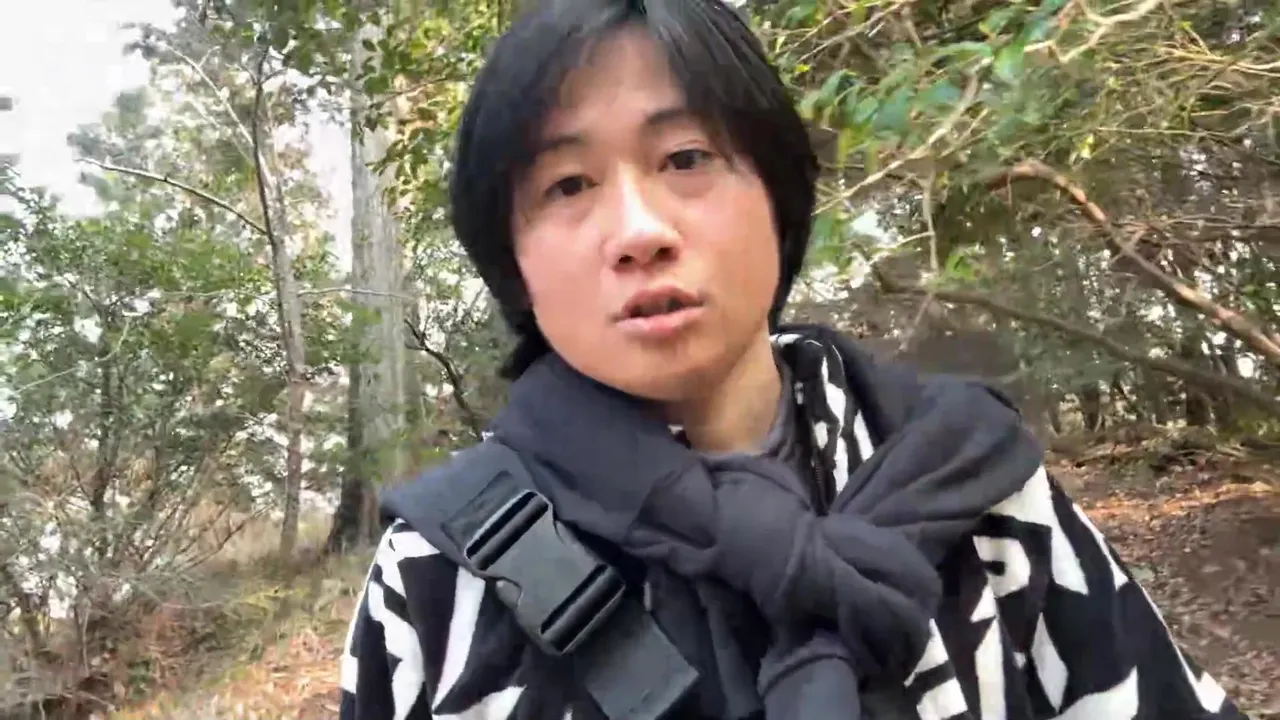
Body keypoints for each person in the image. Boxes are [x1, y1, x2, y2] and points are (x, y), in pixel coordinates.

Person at [338, 1, 1249, 719]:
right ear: (514, 262)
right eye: (568, 184)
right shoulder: (444, 569)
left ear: (779, 197)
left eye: (685, 157)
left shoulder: (972, 483)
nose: (639, 231)